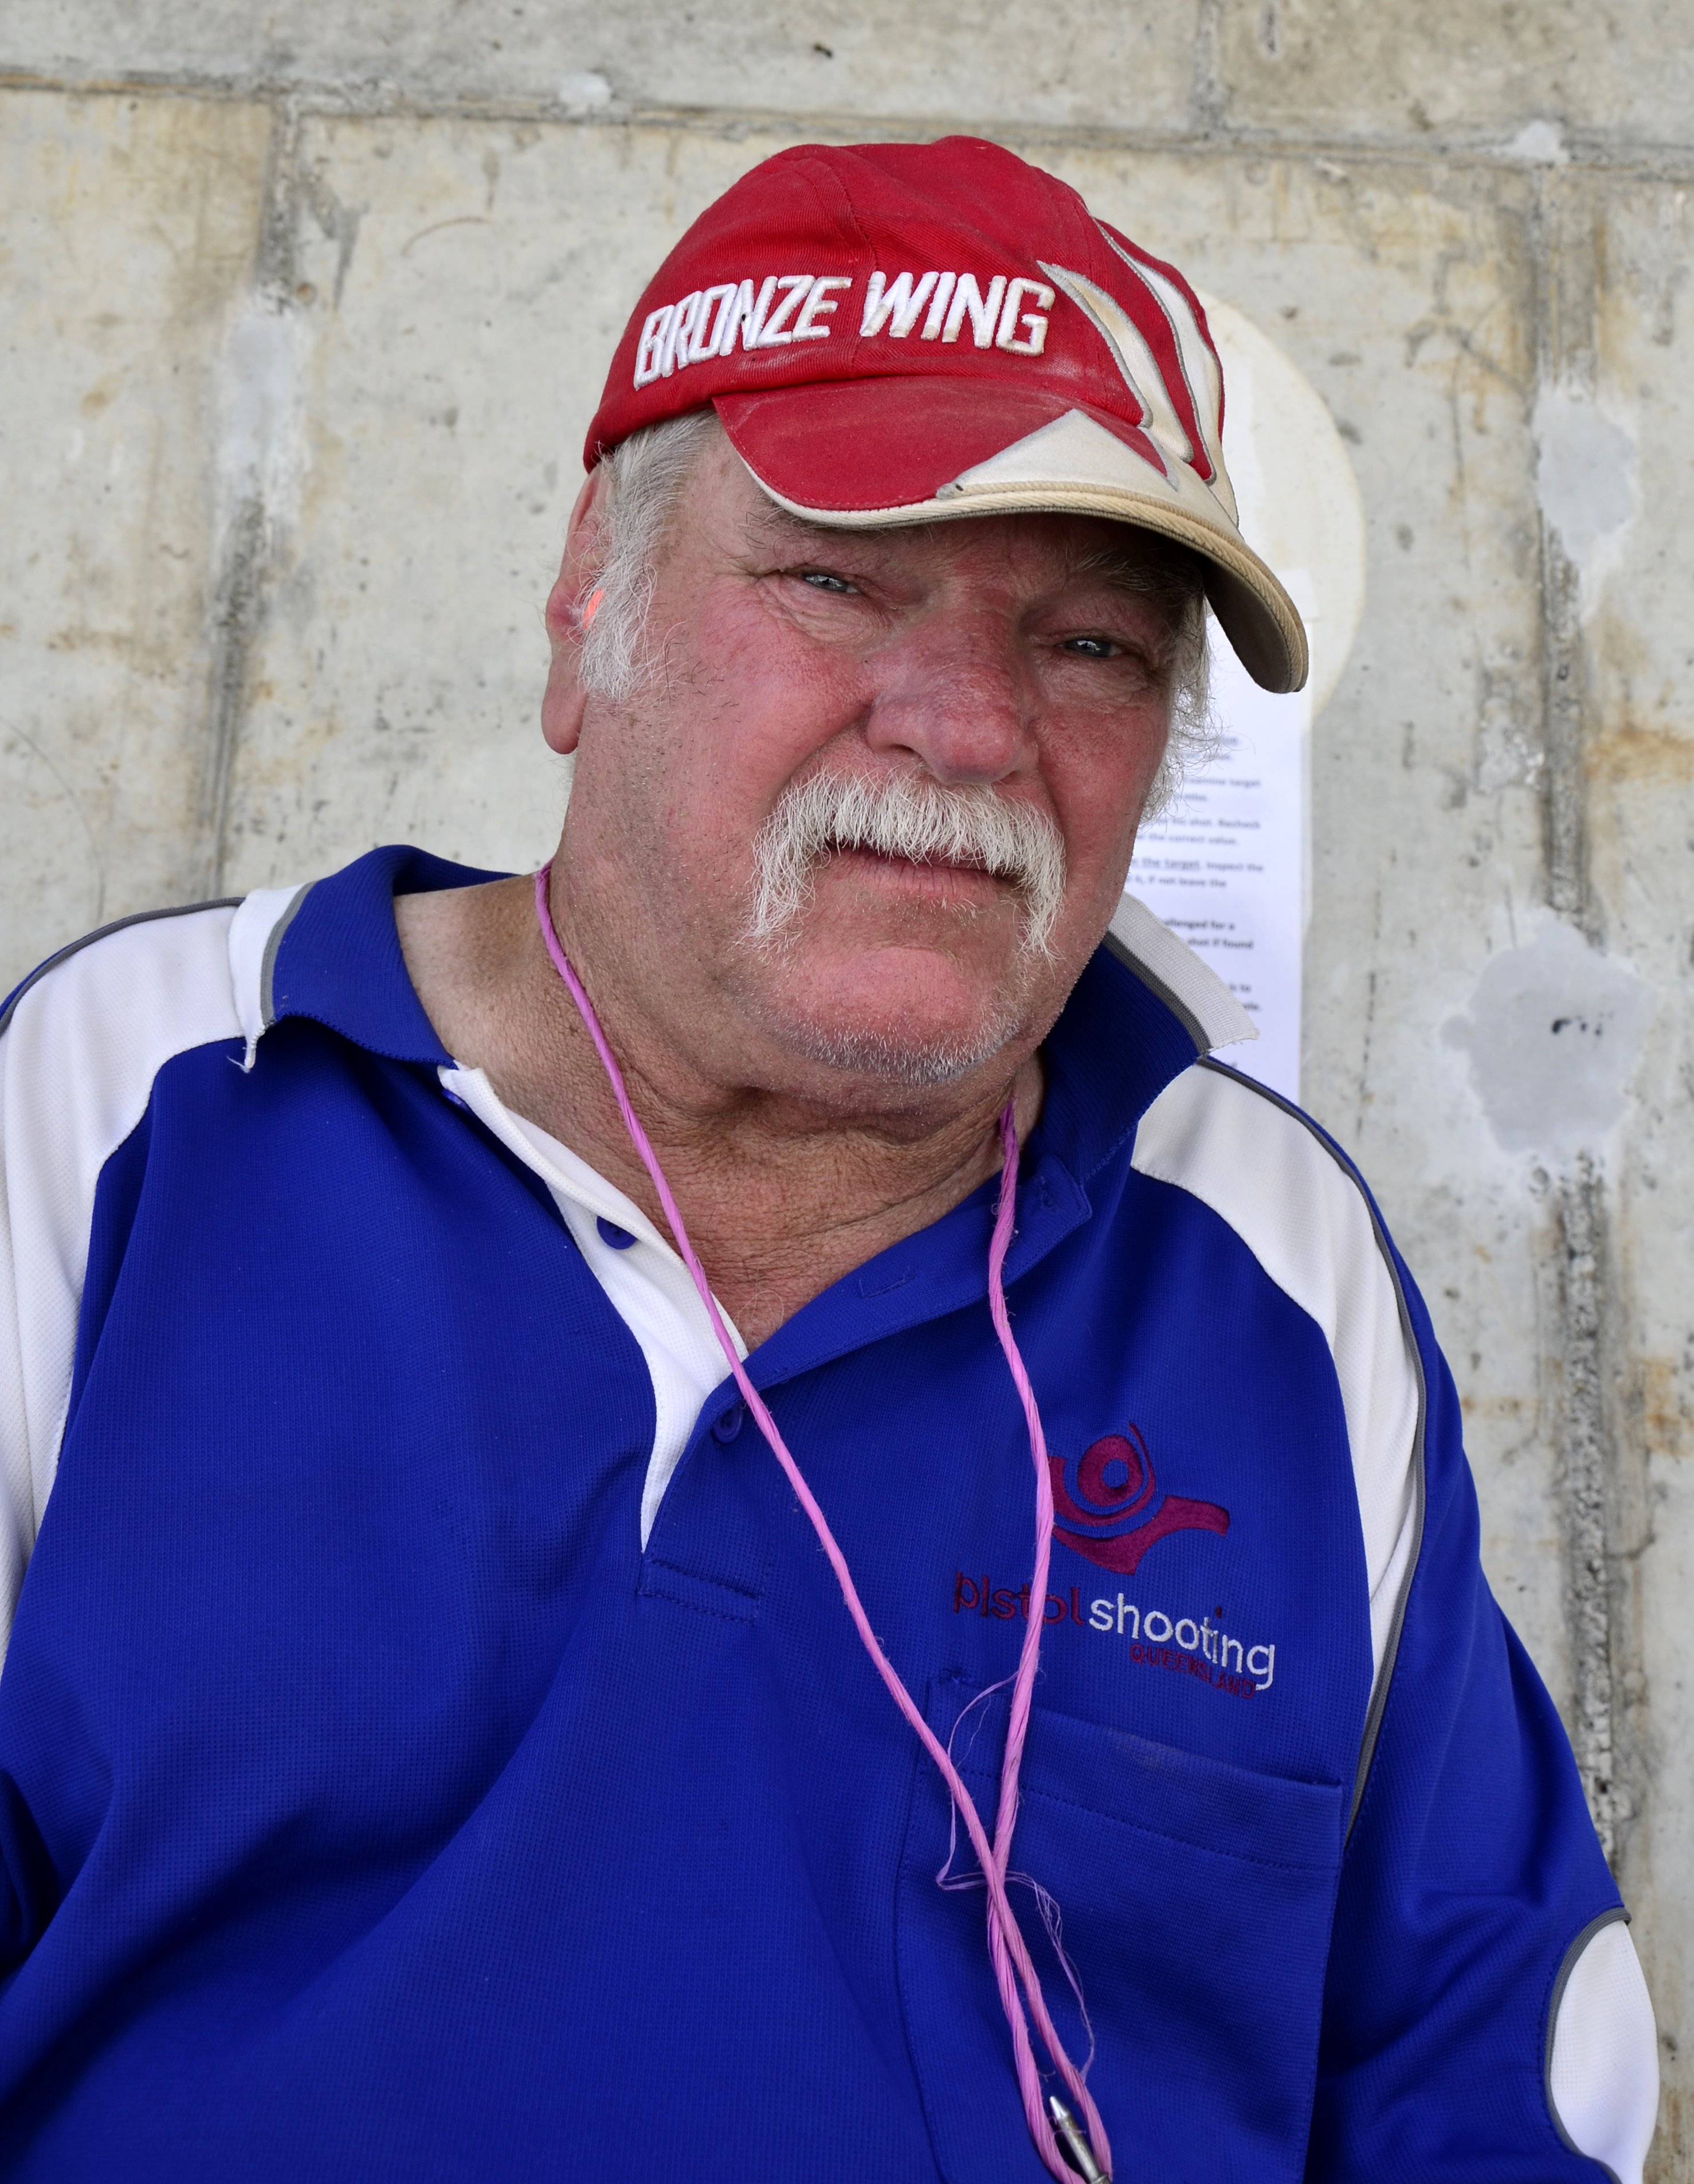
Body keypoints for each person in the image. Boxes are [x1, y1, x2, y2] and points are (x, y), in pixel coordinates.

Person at [0, 136, 1660, 2182]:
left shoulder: (1268, 1263)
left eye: (1092, 646)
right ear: (587, 605)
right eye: (837, 580)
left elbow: (1485, 2072)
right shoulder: (128, 1106)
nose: (963, 727)